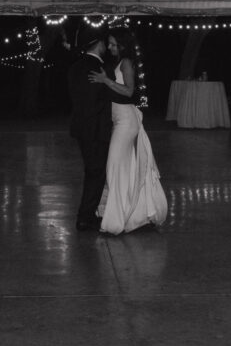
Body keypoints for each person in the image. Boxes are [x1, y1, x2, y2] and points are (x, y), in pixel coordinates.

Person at [89, 28, 168, 234]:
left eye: (115, 44)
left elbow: (129, 91)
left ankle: (118, 215)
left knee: (114, 166)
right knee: (122, 167)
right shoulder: (117, 62)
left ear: (123, 44)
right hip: (118, 120)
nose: (111, 47)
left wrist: (105, 81)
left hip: (126, 121)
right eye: (110, 44)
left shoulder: (126, 63)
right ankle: (128, 211)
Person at [67, 28, 112, 231]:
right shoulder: (96, 67)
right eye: (105, 44)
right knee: (96, 173)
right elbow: (94, 100)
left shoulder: (77, 65)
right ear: (99, 44)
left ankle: (87, 214)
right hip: (94, 129)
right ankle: (85, 218)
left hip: (82, 127)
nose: (107, 47)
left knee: (93, 171)